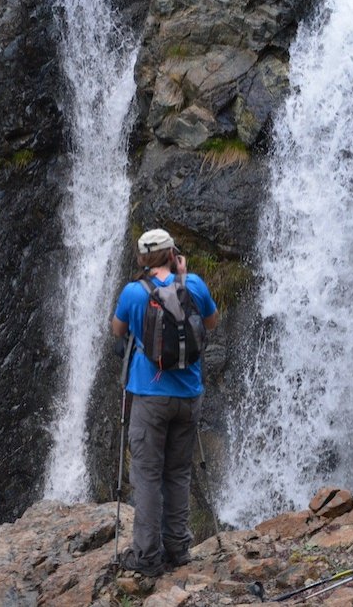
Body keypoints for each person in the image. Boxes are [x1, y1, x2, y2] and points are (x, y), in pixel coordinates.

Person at [110, 228, 220, 577]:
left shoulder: (133, 292)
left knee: (146, 476)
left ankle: (146, 556)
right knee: (178, 473)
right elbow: (212, 322)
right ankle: (178, 549)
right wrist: (184, 278)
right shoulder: (196, 286)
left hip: (149, 396)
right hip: (188, 396)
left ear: (143, 258)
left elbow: (117, 331)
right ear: (173, 253)